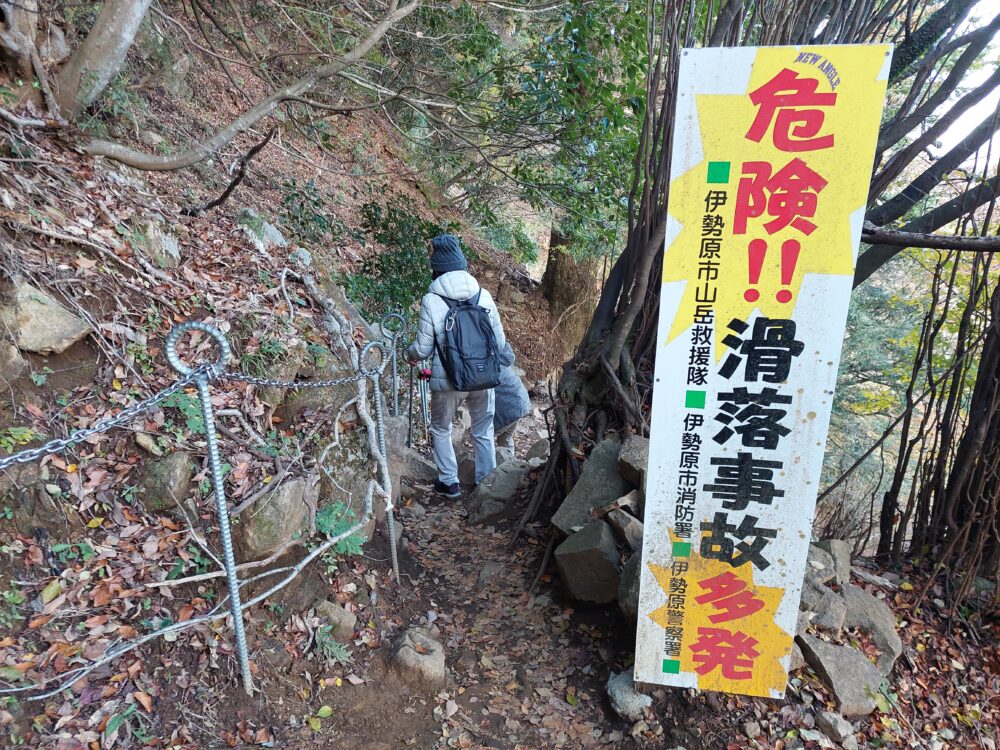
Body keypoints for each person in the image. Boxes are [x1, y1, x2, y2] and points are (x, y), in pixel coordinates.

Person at [407, 234, 507, 498]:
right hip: (485, 377)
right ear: (463, 265)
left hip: (448, 378)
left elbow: (423, 348)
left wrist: (411, 354)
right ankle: (486, 484)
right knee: (483, 428)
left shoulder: (432, 299)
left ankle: (449, 482)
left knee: (441, 428)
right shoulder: (483, 295)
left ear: (436, 269)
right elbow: (499, 341)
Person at [494, 341, 531, 460]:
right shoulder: (503, 359)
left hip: (509, 408)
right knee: (506, 438)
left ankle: (484, 470)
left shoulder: (489, 366)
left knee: (483, 437)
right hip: (521, 402)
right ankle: (509, 462)